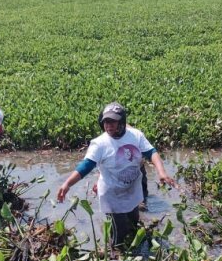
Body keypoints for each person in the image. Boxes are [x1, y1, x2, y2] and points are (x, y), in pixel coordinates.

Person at [57, 102, 176, 246]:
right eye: (106, 121)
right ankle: (115, 253)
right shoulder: (100, 144)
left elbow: (151, 152)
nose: (109, 125)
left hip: (132, 189)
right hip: (112, 194)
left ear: (122, 122)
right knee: (119, 231)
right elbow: (86, 165)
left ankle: (133, 246)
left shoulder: (136, 135)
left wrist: (162, 173)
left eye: (113, 121)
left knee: (134, 221)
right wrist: (67, 184)